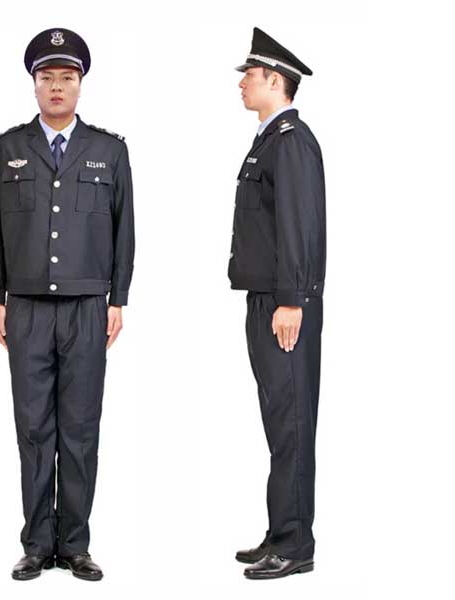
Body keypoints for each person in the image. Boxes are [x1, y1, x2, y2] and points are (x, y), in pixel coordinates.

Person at [0, 27, 135, 582]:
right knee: (33, 428)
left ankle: (74, 544)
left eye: (66, 77)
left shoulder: (109, 151)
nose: (56, 86)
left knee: (80, 428)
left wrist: (118, 298)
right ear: (34, 84)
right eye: (47, 77)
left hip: (87, 307)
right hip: (24, 306)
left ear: (80, 85)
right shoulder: (6, 149)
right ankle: (36, 543)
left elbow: (124, 229)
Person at [228, 27, 326, 579]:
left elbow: (298, 225)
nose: (241, 83)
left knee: (291, 422)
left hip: (285, 304)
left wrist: (291, 301)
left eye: (249, 74)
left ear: (273, 80)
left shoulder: (290, 141)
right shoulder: (269, 140)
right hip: (266, 297)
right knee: (278, 420)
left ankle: (295, 545)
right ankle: (281, 531)